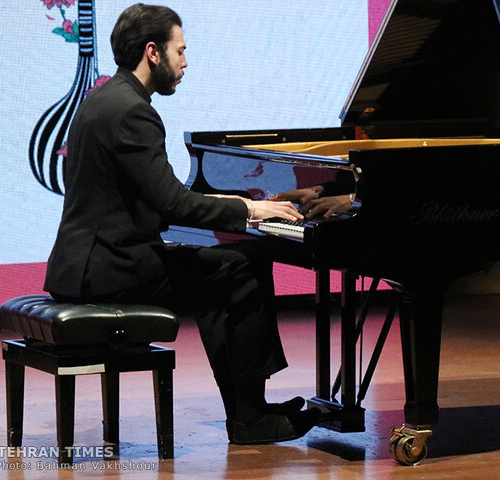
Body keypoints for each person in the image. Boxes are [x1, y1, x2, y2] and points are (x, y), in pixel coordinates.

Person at [43, 3, 320, 445]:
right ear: (153, 52)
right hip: (107, 272)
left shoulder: (108, 99)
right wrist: (251, 211)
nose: (186, 62)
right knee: (240, 267)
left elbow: (158, 195)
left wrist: (248, 201)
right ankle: (250, 416)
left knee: (223, 269)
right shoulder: (133, 111)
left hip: (91, 263)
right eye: (181, 50)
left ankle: (249, 413)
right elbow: (173, 205)